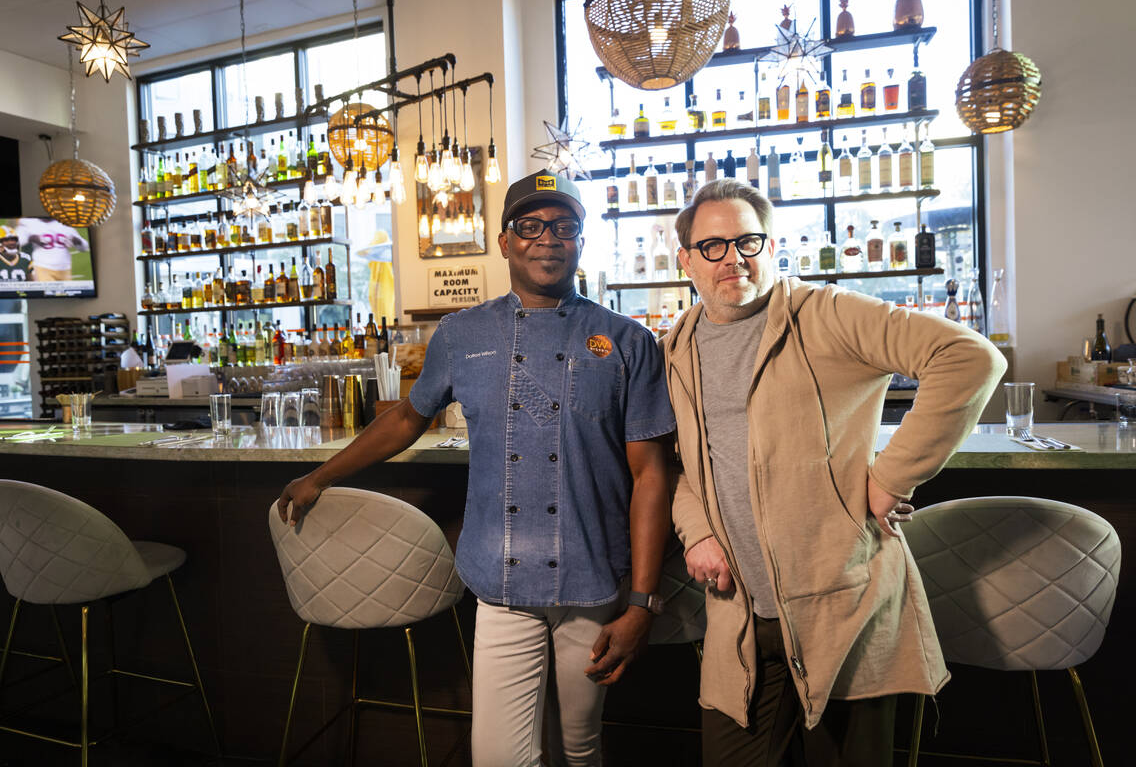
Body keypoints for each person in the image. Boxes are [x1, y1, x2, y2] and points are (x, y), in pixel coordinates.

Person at [276, 169, 675, 766]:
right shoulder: (462, 334)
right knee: (498, 759)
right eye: (531, 226)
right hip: (502, 579)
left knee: (580, 747)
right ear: (505, 241)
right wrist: (320, 476)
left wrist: (642, 603)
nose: (548, 239)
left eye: (564, 228)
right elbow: (408, 417)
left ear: (581, 243)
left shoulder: (626, 340)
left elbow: (651, 475)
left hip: (592, 580)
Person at [662, 179, 1005, 766]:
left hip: (840, 607)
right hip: (740, 618)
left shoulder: (826, 314)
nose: (734, 258)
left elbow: (969, 357)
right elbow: (688, 464)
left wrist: (891, 477)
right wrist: (697, 532)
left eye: (749, 241)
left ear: (771, 246)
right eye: (714, 246)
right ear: (686, 260)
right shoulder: (677, 344)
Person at [15, 217, 90, 282]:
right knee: (47, 294)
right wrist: (31, 238)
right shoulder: (29, 223)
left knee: (66, 295)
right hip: (42, 267)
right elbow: (16, 242)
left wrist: (77, 241)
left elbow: (84, 247)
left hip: (65, 268)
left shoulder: (65, 224)